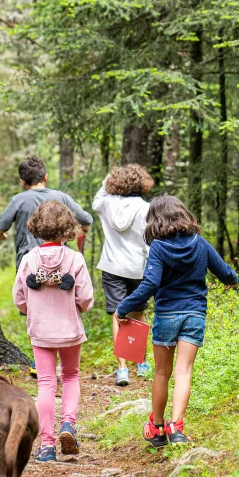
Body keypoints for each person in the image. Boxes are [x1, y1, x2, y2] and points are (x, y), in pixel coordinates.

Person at [114, 195, 238, 446]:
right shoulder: (200, 243)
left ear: (155, 219)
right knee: (184, 371)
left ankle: (157, 427)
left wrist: (123, 308)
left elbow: (150, 283)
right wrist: (232, 280)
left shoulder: (159, 248)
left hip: (167, 315)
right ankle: (176, 427)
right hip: (194, 315)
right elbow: (226, 273)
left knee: (162, 372)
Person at [13, 201, 94, 462]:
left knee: (46, 383)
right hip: (69, 330)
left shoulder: (29, 259)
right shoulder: (75, 259)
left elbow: (19, 298)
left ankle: (47, 446)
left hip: (41, 331)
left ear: (37, 227)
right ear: (67, 228)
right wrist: (78, 306)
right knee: (70, 376)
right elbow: (86, 298)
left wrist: (32, 309)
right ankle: (68, 424)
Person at [92, 164, 153, 386]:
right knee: (138, 313)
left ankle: (122, 369)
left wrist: (109, 177)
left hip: (112, 266)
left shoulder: (106, 203)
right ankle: (142, 363)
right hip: (138, 267)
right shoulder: (146, 208)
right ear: (141, 183)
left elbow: (97, 199)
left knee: (118, 315)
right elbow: (149, 241)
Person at [0, 156, 93, 271]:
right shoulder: (61, 197)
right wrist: (83, 229)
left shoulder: (18, 200)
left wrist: (2, 237)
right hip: (57, 262)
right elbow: (86, 220)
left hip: (28, 263)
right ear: (45, 177)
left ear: (23, 182)